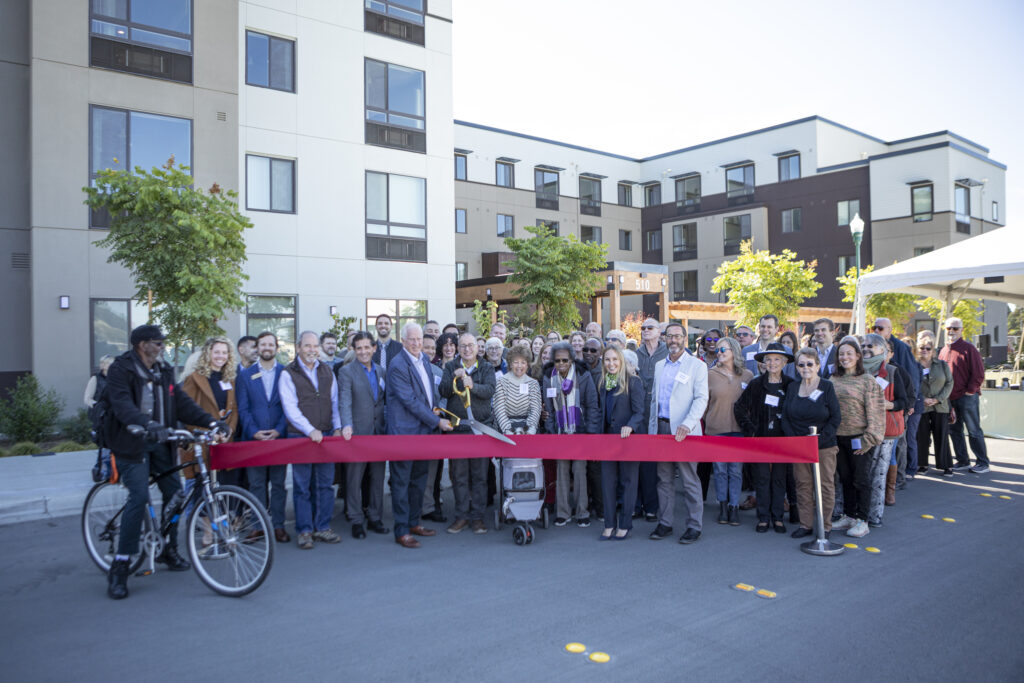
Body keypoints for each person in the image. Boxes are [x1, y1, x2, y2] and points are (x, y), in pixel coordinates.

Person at [101, 324, 224, 599]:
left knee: (176, 494)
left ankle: (167, 548)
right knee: (139, 497)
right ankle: (120, 566)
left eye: (162, 342)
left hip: (161, 442)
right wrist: (146, 423)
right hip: (130, 442)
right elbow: (122, 405)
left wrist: (210, 421)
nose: (162, 347)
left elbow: (182, 403)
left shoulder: (164, 370)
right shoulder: (122, 369)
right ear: (141, 344)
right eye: (157, 343)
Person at [387, 323, 454, 548]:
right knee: (401, 483)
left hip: (424, 433)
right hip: (404, 435)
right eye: (411, 339)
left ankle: (414, 523)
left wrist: (436, 411)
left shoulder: (424, 360)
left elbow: (428, 396)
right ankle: (401, 530)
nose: (416, 343)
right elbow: (410, 401)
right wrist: (436, 421)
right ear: (403, 341)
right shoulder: (397, 364)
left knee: (418, 482)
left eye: (419, 340)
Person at [280, 330, 343, 549]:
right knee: (302, 486)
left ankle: (323, 527)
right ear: (298, 348)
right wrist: (309, 430)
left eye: (315, 346)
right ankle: (305, 530)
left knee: (325, 485)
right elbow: (290, 409)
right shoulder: (288, 373)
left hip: (326, 435)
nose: (312, 350)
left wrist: (337, 427)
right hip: (301, 437)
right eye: (307, 346)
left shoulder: (327, 370)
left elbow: (334, 402)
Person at [648, 323, 709, 544]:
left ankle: (694, 526)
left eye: (677, 336)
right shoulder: (659, 366)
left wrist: (688, 423)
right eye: (669, 336)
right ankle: (665, 523)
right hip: (662, 429)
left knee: (689, 479)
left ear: (685, 339)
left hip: (686, 431)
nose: (673, 340)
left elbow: (701, 398)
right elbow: (655, 400)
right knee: (663, 479)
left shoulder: (696, 366)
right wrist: (652, 430)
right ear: (664, 339)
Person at [781, 347, 842, 538]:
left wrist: (819, 440)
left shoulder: (827, 386)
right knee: (803, 484)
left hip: (823, 446)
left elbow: (835, 417)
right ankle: (805, 524)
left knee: (825, 486)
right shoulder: (792, 387)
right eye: (801, 364)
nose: (805, 367)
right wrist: (796, 440)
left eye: (809, 364)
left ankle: (825, 526)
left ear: (817, 365)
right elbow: (785, 417)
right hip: (799, 447)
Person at [440, 334, 496, 534]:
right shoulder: (450, 367)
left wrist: (473, 385)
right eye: (462, 346)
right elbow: (444, 391)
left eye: (470, 345)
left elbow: (490, 390)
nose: (466, 349)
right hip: (458, 430)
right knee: (459, 475)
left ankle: (478, 518)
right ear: (458, 348)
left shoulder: (487, 367)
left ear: (476, 348)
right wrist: (456, 377)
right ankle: (461, 516)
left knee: (480, 475)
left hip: (480, 428)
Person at [237, 331, 290, 543]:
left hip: (279, 438)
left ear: (276, 348)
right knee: (256, 485)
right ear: (257, 348)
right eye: (263, 344)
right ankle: (258, 527)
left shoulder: (286, 373)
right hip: (254, 439)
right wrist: (253, 432)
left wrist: (279, 429)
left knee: (278, 484)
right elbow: (243, 407)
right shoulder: (245, 375)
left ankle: (278, 525)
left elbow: (290, 406)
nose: (267, 348)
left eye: (270, 344)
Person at [830, 337, 886, 539]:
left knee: (861, 479)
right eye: (841, 354)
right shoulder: (833, 380)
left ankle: (863, 520)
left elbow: (877, 413)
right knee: (845, 478)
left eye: (849, 354)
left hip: (860, 438)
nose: (845, 357)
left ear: (858, 356)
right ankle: (849, 515)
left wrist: (868, 439)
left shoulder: (867, 381)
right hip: (838, 438)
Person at [734, 342, 792, 532]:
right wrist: (750, 430)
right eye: (769, 360)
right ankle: (763, 517)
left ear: (784, 362)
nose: (772, 363)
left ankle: (777, 517)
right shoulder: (756, 384)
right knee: (762, 478)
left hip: (783, 440)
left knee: (779, 479)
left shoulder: (791, 385)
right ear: (763, 363)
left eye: (777, 359)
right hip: (760, 439)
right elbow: (740, 408)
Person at [338, 331, 390, 539]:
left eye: (367, 347)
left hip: (379, 433)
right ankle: (356, 519)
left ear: (374, 348)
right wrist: (347, 424)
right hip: (357, 433)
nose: (363, 351)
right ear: (354, 349)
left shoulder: (381, 371)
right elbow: (344, 400)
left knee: (377, 477)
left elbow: (384, 401)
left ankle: (375, 517)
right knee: (354, 479)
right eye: (359, 348)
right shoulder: (346, 372)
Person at [544, 342, 600, 527]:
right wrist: (552, 432)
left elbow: (592, 405)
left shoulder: (583, 375)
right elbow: (549, 410)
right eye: (557, 360)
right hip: (560, 434)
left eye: (565, 360)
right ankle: (563, 512)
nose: (561, 364)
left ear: (571, 360)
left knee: (579, 470)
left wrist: (590, 434)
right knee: (561, 471)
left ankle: (582, 512)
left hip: (580, 432)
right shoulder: (548, 378)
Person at [596, 346, 645, 540]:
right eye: (607, 360)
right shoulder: (603, 382)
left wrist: (631, 426)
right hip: (607, 439)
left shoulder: (633, 382)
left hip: (628, 439)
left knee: (628, 481)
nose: (611, 363)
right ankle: (609, 524)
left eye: (615, 359)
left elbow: (639, 411)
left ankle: (625, 524)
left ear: (622, 361)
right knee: (608, 482)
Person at [706, 337, 753, 526]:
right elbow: (703, 402)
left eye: (723, 349)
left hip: (739, 430)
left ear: (734, 351)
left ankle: (734, 506)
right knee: (719, 470)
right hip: (717, 429)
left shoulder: (748, 375)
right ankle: (723, 506)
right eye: (717, 350)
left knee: (735, 471)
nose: (720, 353)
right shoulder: (710, 374)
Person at [860, 333, 906, 526]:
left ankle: (874, 516)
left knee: (878, 474)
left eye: (870, 346)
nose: (866, 349)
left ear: (882, 350)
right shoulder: (856, 371)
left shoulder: (893, 372)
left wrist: (890, 405)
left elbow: (904, 400)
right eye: (863, 346)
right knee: (862, 475)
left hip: (885, 432)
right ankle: (857, 514)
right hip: (860, 430)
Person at [181, 336, 240, 485]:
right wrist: (211, 432)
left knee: (226, 489)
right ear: (208, 353)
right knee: (205, 492)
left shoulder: (230, 378)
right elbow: (186, 410)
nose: (221, 356)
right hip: (205, 441)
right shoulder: (194, 378)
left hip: (225, 442)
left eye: (224, 353)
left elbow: (233, 409)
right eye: (217, 352)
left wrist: (228, 430)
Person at [873, 317, 921, 488]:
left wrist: (910, 405)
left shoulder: (900, 350)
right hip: (878, 413)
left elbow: (912, 379)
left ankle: (897, 481)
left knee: (897, 445)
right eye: (875, 327)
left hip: (897, 409)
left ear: (890, 330)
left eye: (880, 328)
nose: (876, 330)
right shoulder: (872, 349)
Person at [939, 317, 988, 473]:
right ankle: (963, 460)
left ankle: (983, 462)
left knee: (973, 430)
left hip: (967, 397)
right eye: (949, 328)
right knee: (954, 430)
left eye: (955, 328)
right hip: (950, 398)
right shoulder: (943, 350)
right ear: (945, 330)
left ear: (961, 330)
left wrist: (970, 390)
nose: (952, 331)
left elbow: (979, 373)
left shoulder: (969, 348)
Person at [635, 318, 667, 522]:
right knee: (637, 459)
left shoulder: (668, 352)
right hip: (638, 411)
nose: (646, 331)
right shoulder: (634, 354)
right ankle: (636, 504)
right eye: (643, 328)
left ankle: (652, 506)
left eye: (650, 328)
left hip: (660, 411)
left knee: (655, 463)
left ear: (659, 332)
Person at [916, 331, 954, 476]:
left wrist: (939, 398)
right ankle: (922, 464)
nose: (925, 351)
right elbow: (911, 385)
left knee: (942, 435)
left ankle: (946, 465)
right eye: (922, 348)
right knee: (922, 436)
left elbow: (949, 383)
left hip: (940, 405)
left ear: (933, 351)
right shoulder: (915, 366)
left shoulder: (942, 365)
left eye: (928, 348)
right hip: (922, 406)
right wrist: (922, 399)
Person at [492, 346, 542, 435]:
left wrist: (530, 430)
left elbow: (535, 409)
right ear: (510, 364)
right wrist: (508, 430)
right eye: (516, 362)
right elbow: (499, 409)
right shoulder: (501, 382)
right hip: (505, 430)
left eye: (523, 362)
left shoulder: (533, 383)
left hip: (528, 430)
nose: (519, 366)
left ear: (527, 364)